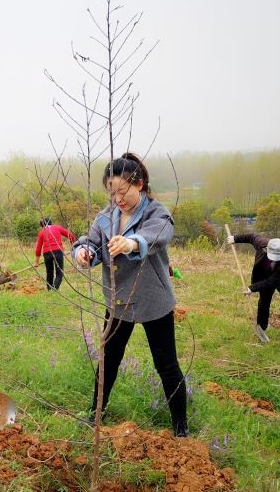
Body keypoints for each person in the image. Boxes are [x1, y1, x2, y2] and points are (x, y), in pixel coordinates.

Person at [73, 153, 188, 437]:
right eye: (112, 193)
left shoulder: (156, 212)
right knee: (108, 360)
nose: (118, 199)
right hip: (118, 300)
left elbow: (157, 235)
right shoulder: (105, 217)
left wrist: (131, 243)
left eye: (122, 192)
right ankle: (95, 412)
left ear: (140, 184)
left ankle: (180, 427)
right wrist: (84, 252)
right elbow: (90, 241)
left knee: (166, 364)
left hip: (153, 301)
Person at [227, 234, 280, 338]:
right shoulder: (262, 243)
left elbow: (271, 281)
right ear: (267, 249)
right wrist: (235, 239)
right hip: (267, 274)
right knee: (264, 300)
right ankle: (262, 326)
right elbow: (251, 237)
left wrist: (251, 288)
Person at [34, 217, 76, 290]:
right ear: (51, 222)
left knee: (49, 273)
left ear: (42, 225)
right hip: (58, 252)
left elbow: (38, 248)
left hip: (47, 253)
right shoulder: (58, 227)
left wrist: (36, 262)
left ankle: (50, 289)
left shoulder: (41, 232)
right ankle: (54, 288)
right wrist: (74, 246)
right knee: (59, 272)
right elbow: (71, 236)